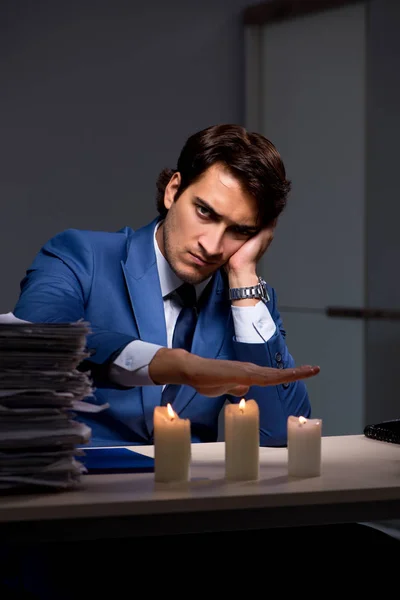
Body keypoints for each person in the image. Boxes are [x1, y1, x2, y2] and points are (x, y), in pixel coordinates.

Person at [13, 123, 319, 448]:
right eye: (205, 212)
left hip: (189, 494)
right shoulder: (80, 255)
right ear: (173, 191)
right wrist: (177, 365)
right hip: (80, 486)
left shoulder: (250, 302)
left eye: (239, 231)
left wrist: (243, 277)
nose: (213, 246)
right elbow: (35, 345)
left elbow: (282, 434)